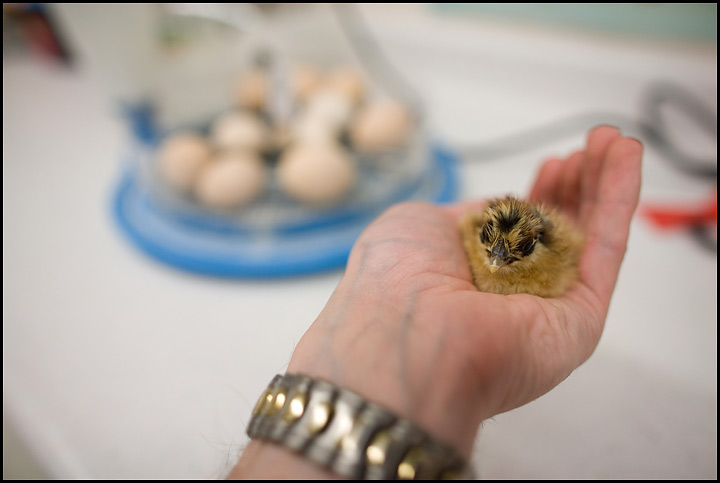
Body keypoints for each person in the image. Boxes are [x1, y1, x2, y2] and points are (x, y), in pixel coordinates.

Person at [228, 126, 643, 479]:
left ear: (538, 246)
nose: (497, 259)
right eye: (491, 246)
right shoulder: (476, 236)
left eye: (515, 250)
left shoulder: (552, 257)